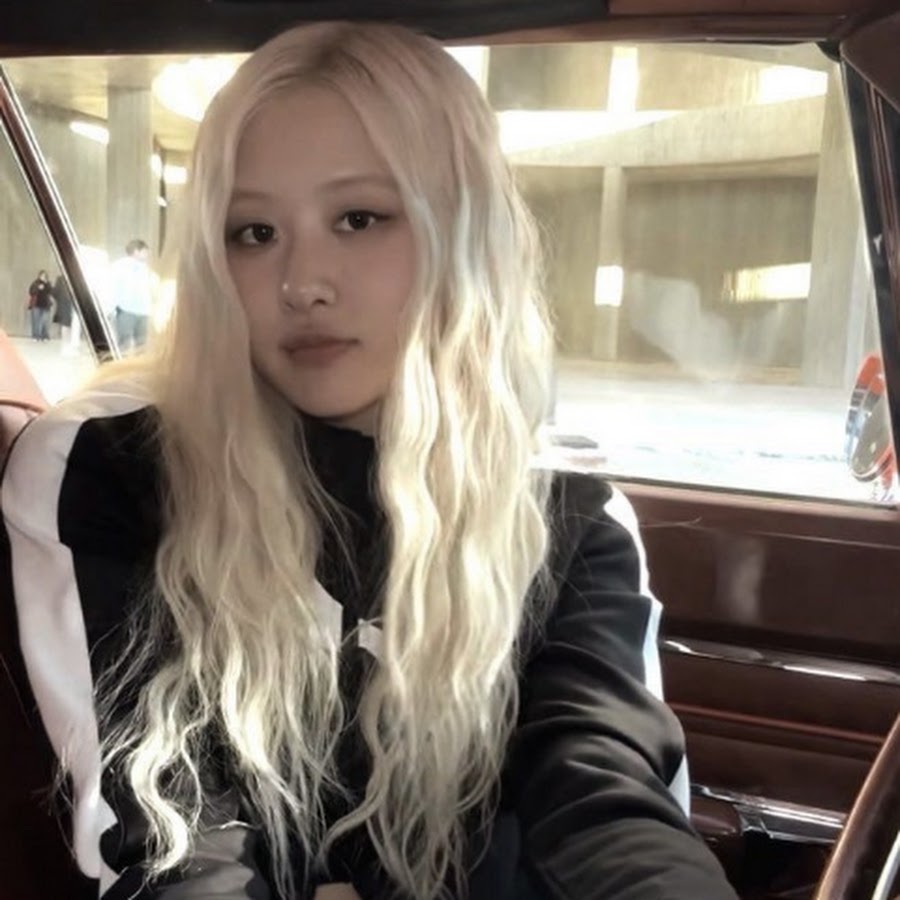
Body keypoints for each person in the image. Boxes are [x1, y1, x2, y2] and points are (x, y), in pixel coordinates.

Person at [0, 22, 739, 900]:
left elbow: (604, 798)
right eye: (253, 232)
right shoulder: (112, 473)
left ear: (461, 237)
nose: (302, 282)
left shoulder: (570, 523)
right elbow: (172, 836)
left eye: (359, 219)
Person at [109, 238, 156, 352]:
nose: (147, 254)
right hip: (126, 310)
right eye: (145, 251)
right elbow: (112, 286)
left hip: (142, 311)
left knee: (140, 344)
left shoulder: (145, 268)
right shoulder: (120, 265)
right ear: (136, 251)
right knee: (126, 343)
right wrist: (112, 307)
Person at [52, 272, 80, 355]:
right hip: (66, 305)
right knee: (67, 326)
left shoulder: (61, 279)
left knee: (72, 326)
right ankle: (65, 347)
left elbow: (55, 293)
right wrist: (60, 301)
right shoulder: (61, 279)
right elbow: (55, 292)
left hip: (71, 305)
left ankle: (70, 347)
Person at [27, 269, 53, 341]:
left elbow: (51, 291)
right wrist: (38, 288)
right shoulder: (35, 283)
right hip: (36, 305)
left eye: (44, 276)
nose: (43, 277)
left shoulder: (48, 283)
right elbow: (31, 292)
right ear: (39, 276)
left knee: (45, 321)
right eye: (42, 276)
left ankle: (44, 336)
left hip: (45, 305)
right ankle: (35, 336)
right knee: (36, 321)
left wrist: (46, 284)